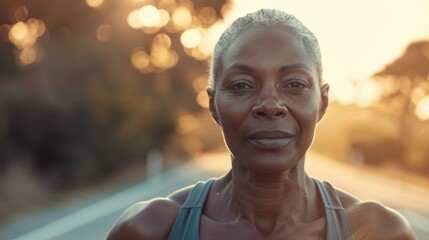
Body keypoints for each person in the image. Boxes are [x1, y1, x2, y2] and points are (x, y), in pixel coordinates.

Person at [106, 9, 416, 239]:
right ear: (213, 104)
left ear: (322, 102)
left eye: (294, 84)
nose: (270, 105)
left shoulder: (376, 231)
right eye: (242, 85)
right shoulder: (150, 229)